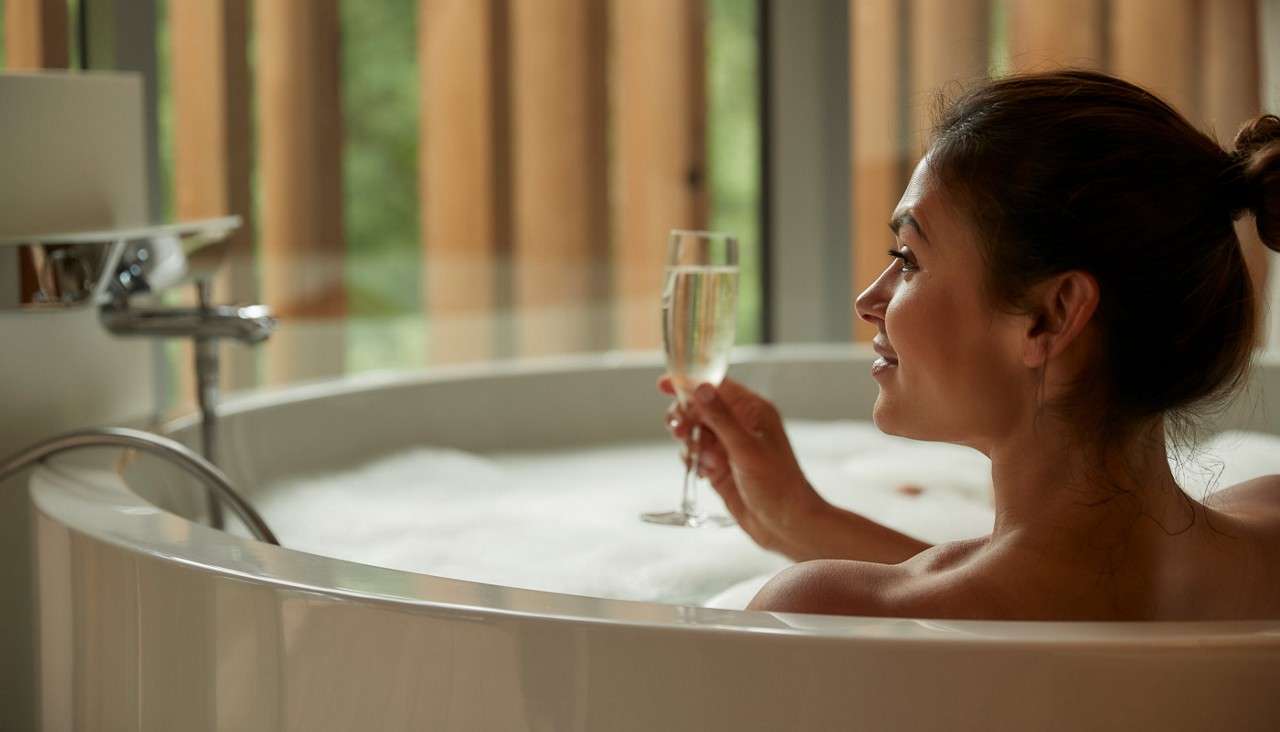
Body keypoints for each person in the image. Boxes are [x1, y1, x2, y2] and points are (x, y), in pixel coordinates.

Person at [662, 70, 1280, 621]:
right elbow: (1056, 599)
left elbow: (980, 603)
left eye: (907, 258)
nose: (868, 301)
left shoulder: (813, 616)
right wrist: (803, 519)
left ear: (1051, 315)